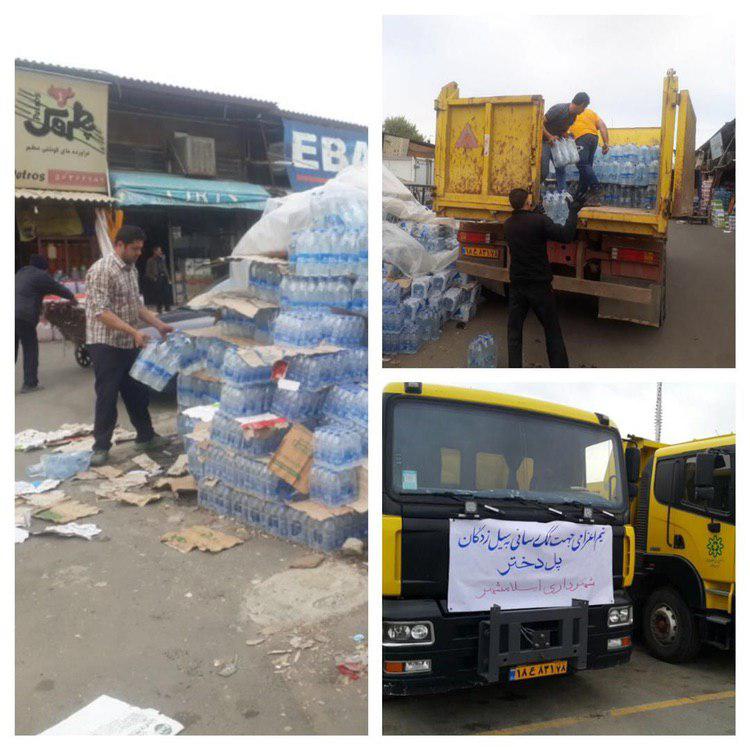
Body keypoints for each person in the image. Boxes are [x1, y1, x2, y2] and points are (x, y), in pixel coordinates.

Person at [85, 225, 174, 466]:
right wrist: (134, 331)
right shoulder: (102, 270)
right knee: (107, 395)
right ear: (120, 245)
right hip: (105, 343)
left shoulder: (131, 270)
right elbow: (100, 312)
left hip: (128, 341)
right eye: (134, 249)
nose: (138, 253)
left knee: (136, 391)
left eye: (140, 249)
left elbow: (136, 306)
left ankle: (146, 436)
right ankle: (101, 447)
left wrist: (158, 324)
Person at [503, 187, 583, 368]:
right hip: (539, 286)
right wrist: (572, 212)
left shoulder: (507, 224)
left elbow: (524, 226)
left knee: (514, 331)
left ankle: (514, 369)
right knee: (552, 330)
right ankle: (559, 369)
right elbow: (566, 235)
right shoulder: (540, 221)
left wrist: (534, 216)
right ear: (528, 203)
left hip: (517, 285)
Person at [15, 253, 77, 393]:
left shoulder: (21, 273)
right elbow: (58, 288)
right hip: (24, 316)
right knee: (30, 348)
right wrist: (72, 298)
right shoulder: (40, 275)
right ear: (43, 268)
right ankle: (30, 384)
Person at [541, 93, 591, 191]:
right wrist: (549, 136)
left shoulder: (573, 116)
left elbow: (563, 130)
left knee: (561, 168)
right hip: (544, 142)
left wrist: (565, 135)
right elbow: (539, 122)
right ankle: (536, 194)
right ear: (581, 104)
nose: (584, 110)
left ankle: (562, 195)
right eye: (584, 107)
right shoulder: (558, 109)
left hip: (555, 144)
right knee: (544, 171)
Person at [569, 104, 610, 205]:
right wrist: (606, 143)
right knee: (586, 167)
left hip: (581, 138)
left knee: (581, 164)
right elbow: (602, 126)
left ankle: (597, 189)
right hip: (593, 138)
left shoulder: (571, 113)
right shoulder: (591, 113)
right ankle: (580, 195)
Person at [144, 245, 172, 313]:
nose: (160, 252)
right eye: (159, 251)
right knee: (159, 294)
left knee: (167, 293)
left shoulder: (162, 259)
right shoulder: (150, 260)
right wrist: (154, 278)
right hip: (157, 278)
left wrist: (168, 277)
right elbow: (148, 272)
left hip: (164, 277)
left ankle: (167, 307)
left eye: (160, 251)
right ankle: (159, 308)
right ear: (155, 251)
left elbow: (165, 268)